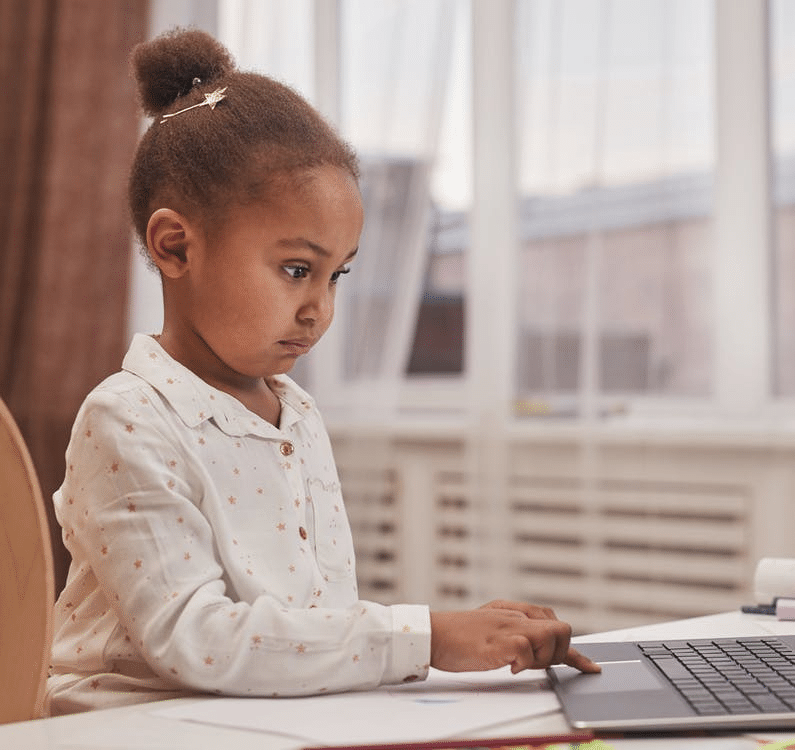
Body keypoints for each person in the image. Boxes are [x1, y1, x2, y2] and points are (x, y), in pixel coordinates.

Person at [47, 28, 598, 715]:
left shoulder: (297, 415)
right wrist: (425, 637)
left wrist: (447, 640)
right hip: (129, 724)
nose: (319, 309)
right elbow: (197, 641)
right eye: (296, 270)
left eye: (337, 275)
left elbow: (312, 620)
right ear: (175, 246)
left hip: (260, 717)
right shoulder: (127, 418)